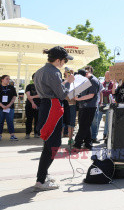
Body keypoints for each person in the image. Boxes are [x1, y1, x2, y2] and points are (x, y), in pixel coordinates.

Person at [33, 46, 75, 191]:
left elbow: (53, 90)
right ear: (58, 60)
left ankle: (42, 175)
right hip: (52, 108)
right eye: (64, 60)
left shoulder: (40, 71)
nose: (64, 63)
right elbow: (62, 95)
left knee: (48, 144)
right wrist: (69, 81)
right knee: (53, 145)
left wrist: (64, 82)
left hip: (46, 106)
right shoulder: (54, 72)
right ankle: (40, 180)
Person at [73, 66, 101, 150]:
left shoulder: (94, 81)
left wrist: (78, 98)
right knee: (84, 125)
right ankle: (88, 143)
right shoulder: (85, 80)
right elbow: (77, 91)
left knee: (83, 126)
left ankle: (77, 144)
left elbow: (91, 95)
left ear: (86, 74)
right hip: (83, 106)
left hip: (90, 106)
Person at [91, 71, 114, 143]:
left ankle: (105, 135)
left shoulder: (113, 84)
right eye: (107, 75)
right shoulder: (102, 83)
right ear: (105, 75)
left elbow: (112, 92)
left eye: (109, 75)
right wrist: (107, 92)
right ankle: (94, 136)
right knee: (97, 120)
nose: (108, 76)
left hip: (109, 104)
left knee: (107, 121)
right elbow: (100, 92)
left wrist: (105, 92)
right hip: (101, 103)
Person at [0, 74, 18, 141]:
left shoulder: (11, 87)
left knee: (10, 121)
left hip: (9, 108)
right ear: (2, 80)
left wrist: (9, 104)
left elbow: (14, 96)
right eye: (7, 79)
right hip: (0, 108)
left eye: (9, 79)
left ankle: (12, 135)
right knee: (0, 121)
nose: (8, 80)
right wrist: (2, 105)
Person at [25, 73, 41, 139]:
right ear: (33, 78)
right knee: (29, 119)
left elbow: (41, 95)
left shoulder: (42, 86)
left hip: (39, 105)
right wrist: (32, 103)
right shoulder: (29, 86)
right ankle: (27, 133)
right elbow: (28, 96)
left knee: (38, 120)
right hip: (29, 105)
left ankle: (36, 133)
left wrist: (33, 96)